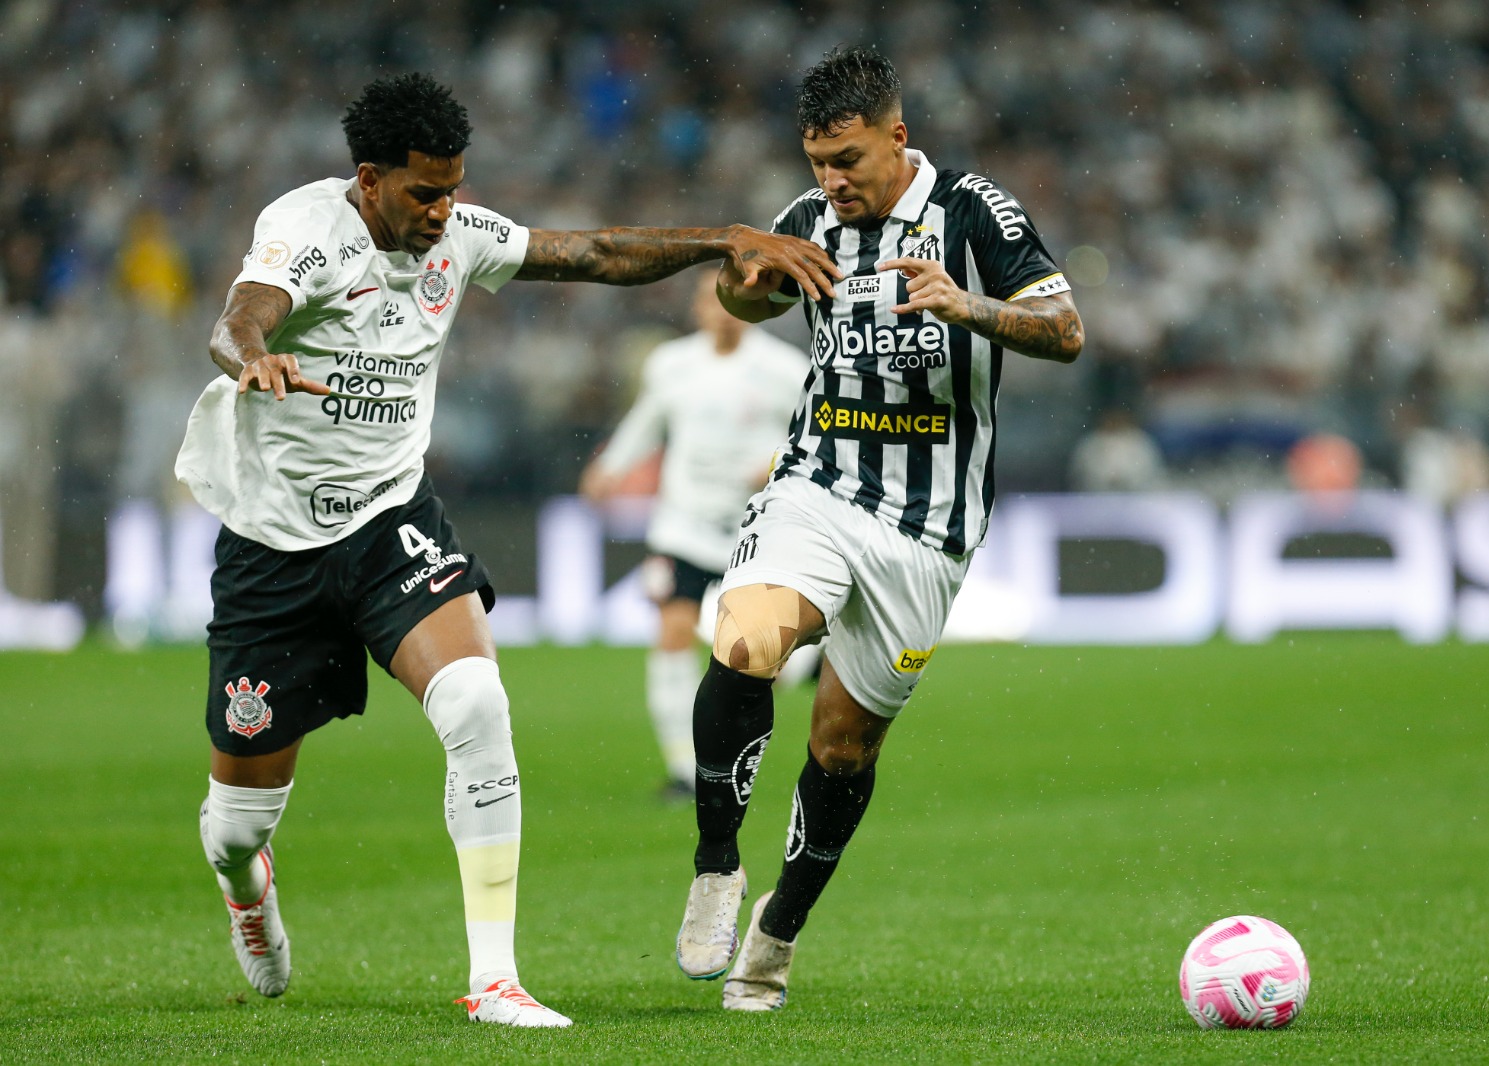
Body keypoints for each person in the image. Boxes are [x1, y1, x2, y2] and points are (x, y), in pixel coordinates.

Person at [176, 72, 838, 1030]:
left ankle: (495, 980)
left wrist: (725, 238)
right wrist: (254, 356)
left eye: (455, 187)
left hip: (388, 522)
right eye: (424, 191)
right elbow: (239, 317)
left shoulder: (460, 235)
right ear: (368, 179)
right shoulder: (306, 229)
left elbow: (599, 252)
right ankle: (249, 887)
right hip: (271, 549)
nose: (445, 210)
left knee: (479, 701)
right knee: (237, 828)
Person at [672, 47, 1084, 1011]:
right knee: (747, 639)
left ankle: (773, 939)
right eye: (817, 161)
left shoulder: (975, 211)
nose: (831, 181)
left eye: (848, 159)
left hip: (928, 528)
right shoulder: (808, 221)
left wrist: (967, 304)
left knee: (844, 749)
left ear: (898, 138)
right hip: (816, 481)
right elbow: (750, 299)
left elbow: (1064, 330)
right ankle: (717, 868)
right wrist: (745, 279)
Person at [580, 270, 813, 800]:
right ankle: (684, 769)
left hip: (754, 527)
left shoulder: (783, 368)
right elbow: (648, 421)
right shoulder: (672, 364)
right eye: (712, 301)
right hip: (682, 523)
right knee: (672, 634)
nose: (722, 310)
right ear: (697, 309)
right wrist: (610, 466)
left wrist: (772, 462)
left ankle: (801, 668)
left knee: (761, 657)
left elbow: (812, 434)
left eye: (734, 302)